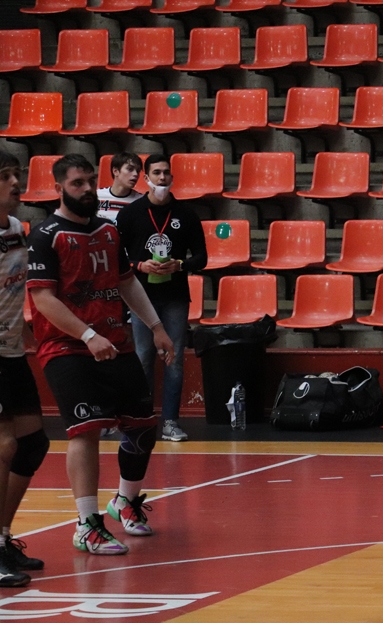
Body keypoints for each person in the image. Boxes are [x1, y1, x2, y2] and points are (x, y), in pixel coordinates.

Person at [27, 154, 176, 555]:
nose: (86, 189)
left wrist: (156, 327)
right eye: (77, 183)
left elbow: (126, 282)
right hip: (67, 345)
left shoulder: (109, 231)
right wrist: (88, 334)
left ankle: (125, 500)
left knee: (143, 427)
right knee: (86, 430)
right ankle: (87, 524)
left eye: (90, 181)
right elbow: (43, 298)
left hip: (114, 340)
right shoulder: (46, 235)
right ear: (58, 188)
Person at [117, 154, 207, 443]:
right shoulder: (131, 214)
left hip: (175, 297)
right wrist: (139, 265)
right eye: (156, 173)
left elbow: (202, 258)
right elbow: (116, 257)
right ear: (146, 178)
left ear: (172, 177)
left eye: (166, 173)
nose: (162, 177)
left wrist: (179, 265)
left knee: (174, 359)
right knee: (143, 357)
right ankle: (141, 420)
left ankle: (170, 422)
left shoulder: (186, 214)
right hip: (140, 297)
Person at [0, 152, 51, 586]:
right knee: (3, 446)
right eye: (5, 177)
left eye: (16, 175)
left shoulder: (18, 229)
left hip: (12, 352)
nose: (15, 183)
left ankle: (2, 538)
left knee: (32, 444)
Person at [97, 153, 143, 224]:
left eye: (138, 171)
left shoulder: (141, 201)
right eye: (130, 169)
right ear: (115, 171)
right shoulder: (97, 196)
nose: (136, 174)